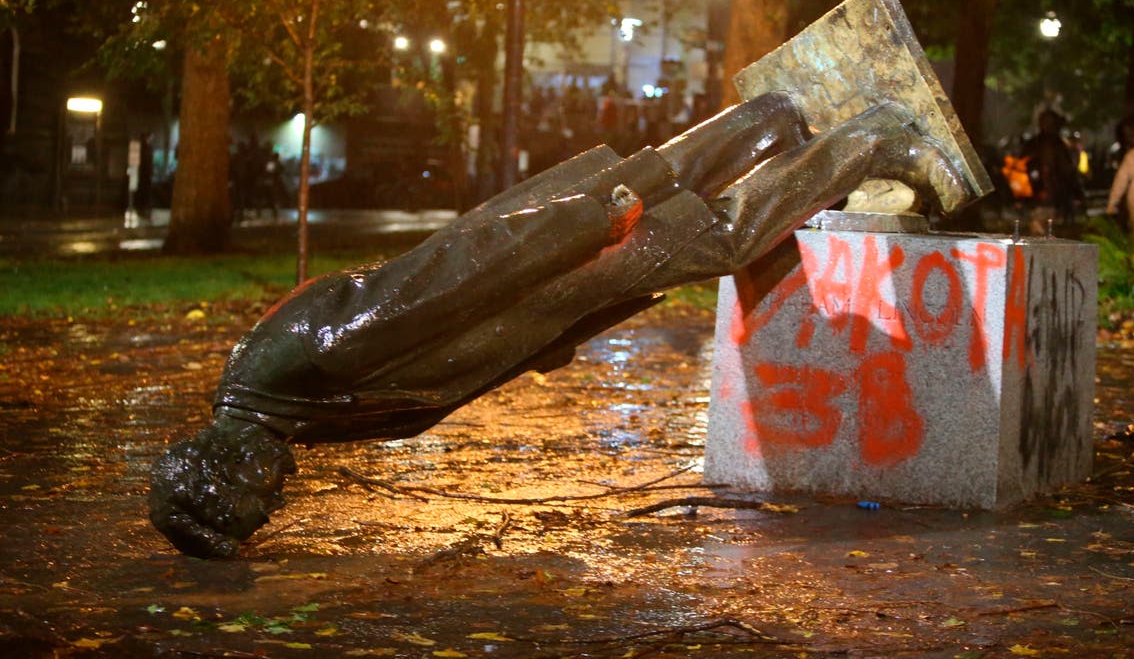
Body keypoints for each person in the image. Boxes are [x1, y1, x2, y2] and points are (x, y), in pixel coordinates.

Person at [149, 92, 975, 559]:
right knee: (666, 178)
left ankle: (869, 138)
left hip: (552, 261)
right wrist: (542, 341)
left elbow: (444, 281)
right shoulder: (272, 412)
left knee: (717, 236)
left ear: (225, 466)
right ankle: (774, 124)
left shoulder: (298, 372)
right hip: (546, 283)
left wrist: (580, 226)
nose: (276, 497)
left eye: (254, 496)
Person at [1022, 108, 1081, 232]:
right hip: (1046, 194)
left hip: (1047, 194)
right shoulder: (1050, 144)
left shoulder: (1041, 143)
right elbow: (1066, 169)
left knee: (1044, 228)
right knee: (1043, 228)